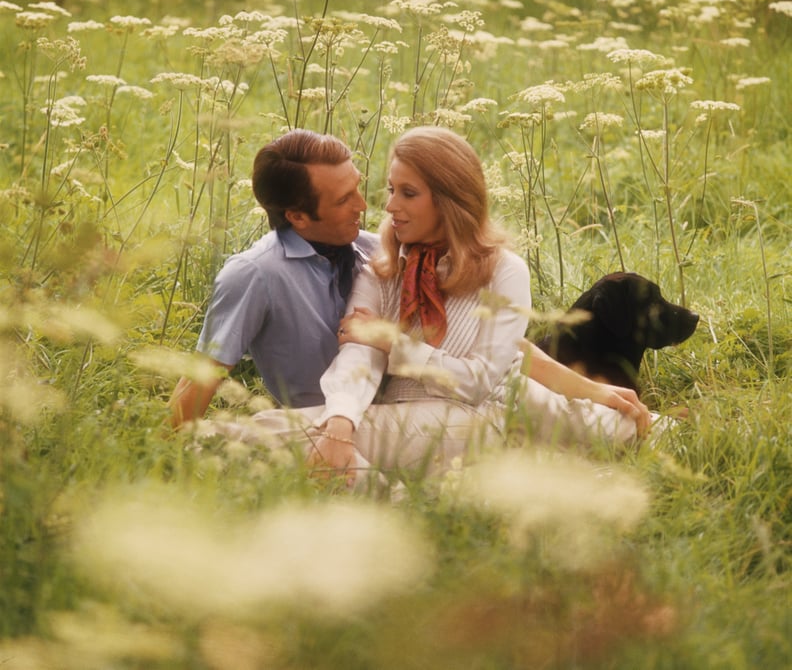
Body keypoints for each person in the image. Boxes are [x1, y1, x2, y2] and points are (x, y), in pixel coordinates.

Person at [295, 126, 652, 482]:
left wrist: (393, 342)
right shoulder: (383, 270)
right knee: (298, 433)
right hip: (421, 416)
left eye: (408, 193)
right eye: (391, 190)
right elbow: (359, 354)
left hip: (501, 408)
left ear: (449, 199)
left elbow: (479, 380)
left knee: (620, 427)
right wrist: (340, 419)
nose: (390, 206)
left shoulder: (504, 272)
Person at [168, 128, 379, 427]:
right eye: (344, 199)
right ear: (297, 216)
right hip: (319, 427)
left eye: (357, 187)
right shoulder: (254, 275)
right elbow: (202, 378)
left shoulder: (378, 250)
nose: (362, 205)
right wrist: (155, 459)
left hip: (412, 415)